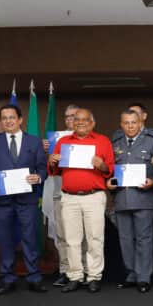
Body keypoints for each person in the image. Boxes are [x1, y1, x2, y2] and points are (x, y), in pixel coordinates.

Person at [0, 104, 48, 294]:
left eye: (11, 117)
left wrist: (39, 177)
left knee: (30, 239)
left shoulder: (34, 142)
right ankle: (7, 279)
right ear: (0, 121)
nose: (8, 121)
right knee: (5, 240)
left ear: (20, 119)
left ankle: (34, 277)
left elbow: (42, 168)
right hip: (2, 201)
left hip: (28, 199)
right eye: (4, 118)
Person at [48, 108, 114, 293]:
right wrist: (52, 161)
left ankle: (93, 277)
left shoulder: (102, 141)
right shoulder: (63, 142)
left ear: (92, 123)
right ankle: (75, 276)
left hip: (94, 196)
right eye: (76, 120)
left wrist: (101, 165)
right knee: (72, 240)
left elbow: (110, 170)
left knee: (95, 238)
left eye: (84, 120)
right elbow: (53, 171)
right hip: (69, 197)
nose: (80, 123)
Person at [111, 109, 153, 293]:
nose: (130, 126)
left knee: (144, 239)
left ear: (140, 123)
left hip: (144, 197)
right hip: (122, 198)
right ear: (121, 124)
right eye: (126, 123)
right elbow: (110, 169)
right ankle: (131, 274)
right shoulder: (115, 142)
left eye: (133, 122)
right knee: (125, 239)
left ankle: (144, 277)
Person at [43, 104, 81, 287]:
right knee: (62, 234)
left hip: (82, 192)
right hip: (58, 189)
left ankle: (84, 271)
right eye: (67, 116)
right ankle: (66, 271)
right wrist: (47, 153)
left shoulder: (90, 139)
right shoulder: (56, 140)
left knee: (83, 235)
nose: (70, 119)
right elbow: (50, 168)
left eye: (74, 116)